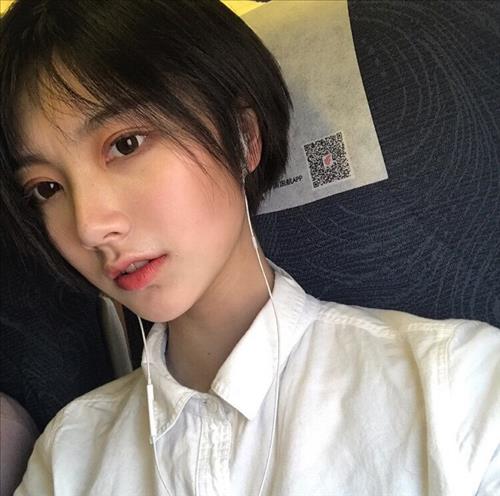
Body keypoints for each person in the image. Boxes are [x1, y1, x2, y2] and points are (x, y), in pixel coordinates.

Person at [0, 1, 498, 495]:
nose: (89, 226)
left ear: (243, 138)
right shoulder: (69, 456)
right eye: (46, 188)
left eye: (126, 144)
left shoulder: (459, 391)